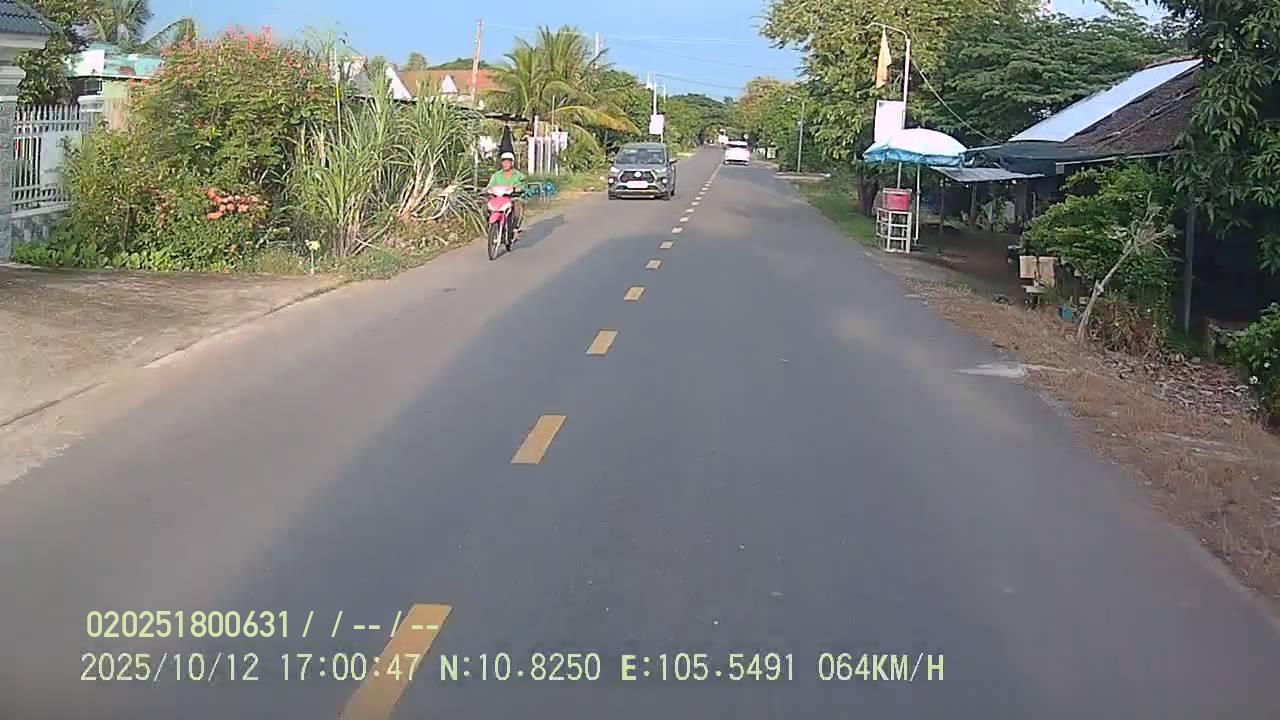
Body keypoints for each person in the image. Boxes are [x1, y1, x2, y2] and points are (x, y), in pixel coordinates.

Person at [487, 151, 527, 234]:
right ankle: (490, 226)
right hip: (498, 199)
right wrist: (487, 190)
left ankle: (515, 227)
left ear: (512, 163)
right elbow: (490, 186)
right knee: (485, 206)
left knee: (517, 205)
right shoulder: (496, 175)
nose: (505, 164)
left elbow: (523, 186)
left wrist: (517, 189)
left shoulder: (519, 175)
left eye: (507, 162)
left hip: (512, 198)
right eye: (503, 162)